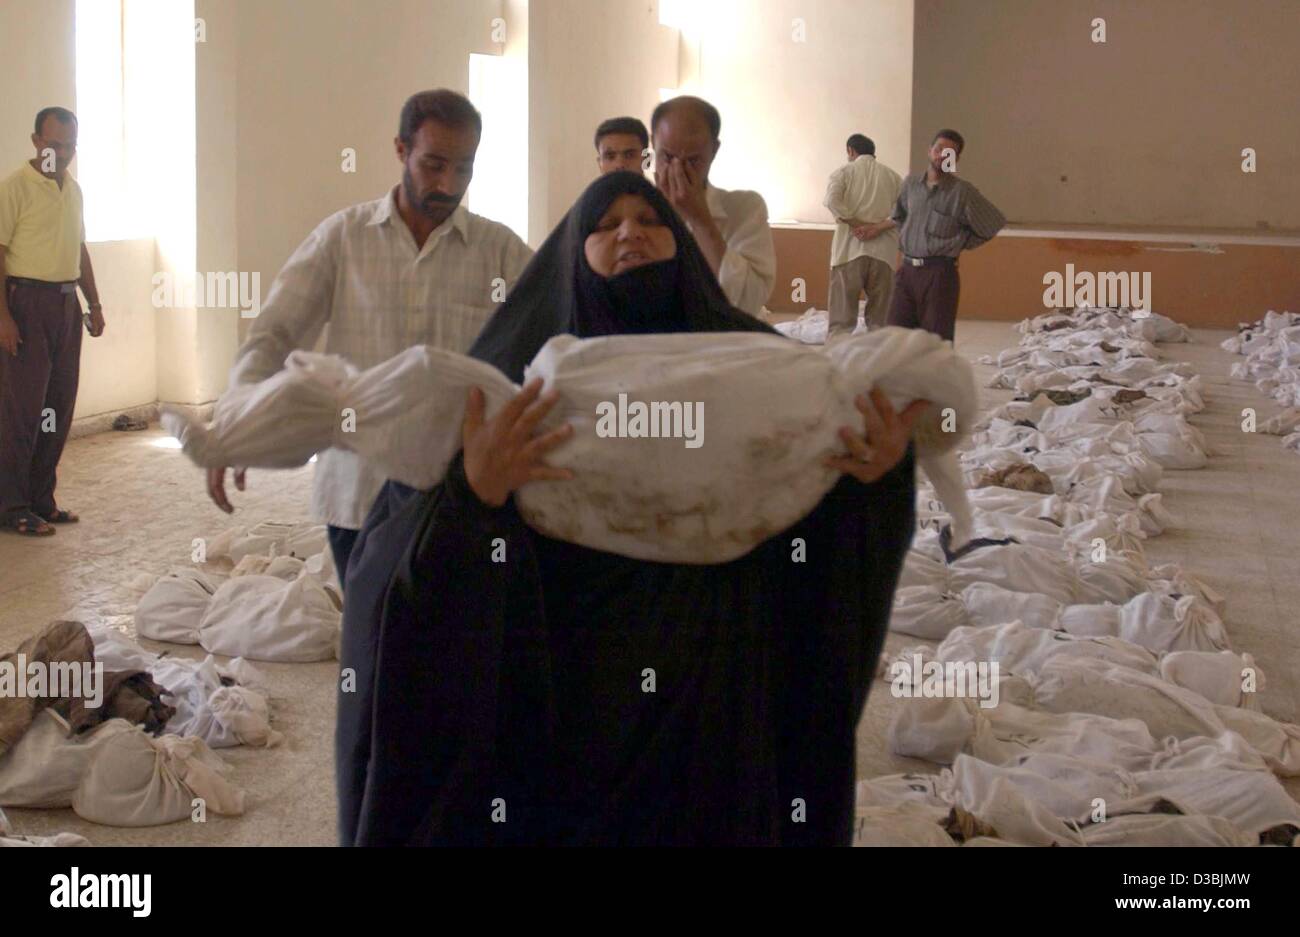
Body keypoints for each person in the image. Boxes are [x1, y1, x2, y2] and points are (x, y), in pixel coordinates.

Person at [335, 171, 923, 846]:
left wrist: (871, 483)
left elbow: (820, 521)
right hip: (559, 704)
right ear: (571, 259)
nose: (629, 233)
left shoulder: (760, 376)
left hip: (707, 705)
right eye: (605, 223)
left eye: (649, 220)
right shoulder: (506, 386)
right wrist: (475, 497)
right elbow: (392, 572)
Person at [208, 90, 532, 584]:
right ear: (401, 150)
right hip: (357, 493)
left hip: (460, 493)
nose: (449, 183)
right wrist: (236, 420)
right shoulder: (343, 238)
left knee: (454, 646)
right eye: (434, 164)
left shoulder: (501, 252)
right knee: (368, 642)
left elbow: (552, 344)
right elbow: (273, 334)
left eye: (464, 168)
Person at [0, 107, 105, 537]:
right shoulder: (14, 188)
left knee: (55, 409)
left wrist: (93, 303)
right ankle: (12, 506)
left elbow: (78, 250)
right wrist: (4, 316)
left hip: (65, 308)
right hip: (26, 305)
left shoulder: (74, 191)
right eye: (52, 144)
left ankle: (42, 499)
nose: (59, 153)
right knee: (21, 412)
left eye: (68, 146)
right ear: (36, 141)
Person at [868, 129, 1005, 342]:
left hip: (940, 274)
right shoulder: (911, 185)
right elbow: (899, 216)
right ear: (929, 151)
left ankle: (935, 377)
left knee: (935, 344)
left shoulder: (962, 192)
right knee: (894, 337)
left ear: (956, 159)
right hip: (907, 272)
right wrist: (907, 238)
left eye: (949, 152)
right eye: (939, 149)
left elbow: (993, 223)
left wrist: (961, 243)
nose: (942, 155)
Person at [650, 95, 775, 317]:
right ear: (653, 145)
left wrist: (701, 221)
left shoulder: (745, 209)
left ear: (714, 151)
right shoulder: (636, 213)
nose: (678, 170)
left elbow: (748, 303)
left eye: (692, 160)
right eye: (667, 157)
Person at [824, 133, 902, 337]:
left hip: (848, 252)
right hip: (883, 253)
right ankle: (878, 365)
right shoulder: (893, 177)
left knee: (840, 324)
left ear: (850, 151)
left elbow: (832, 201)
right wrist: (877, 227)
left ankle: (837, 365)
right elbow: (904, 212)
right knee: (880, 324)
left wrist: (857, 224)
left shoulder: (843, 172)